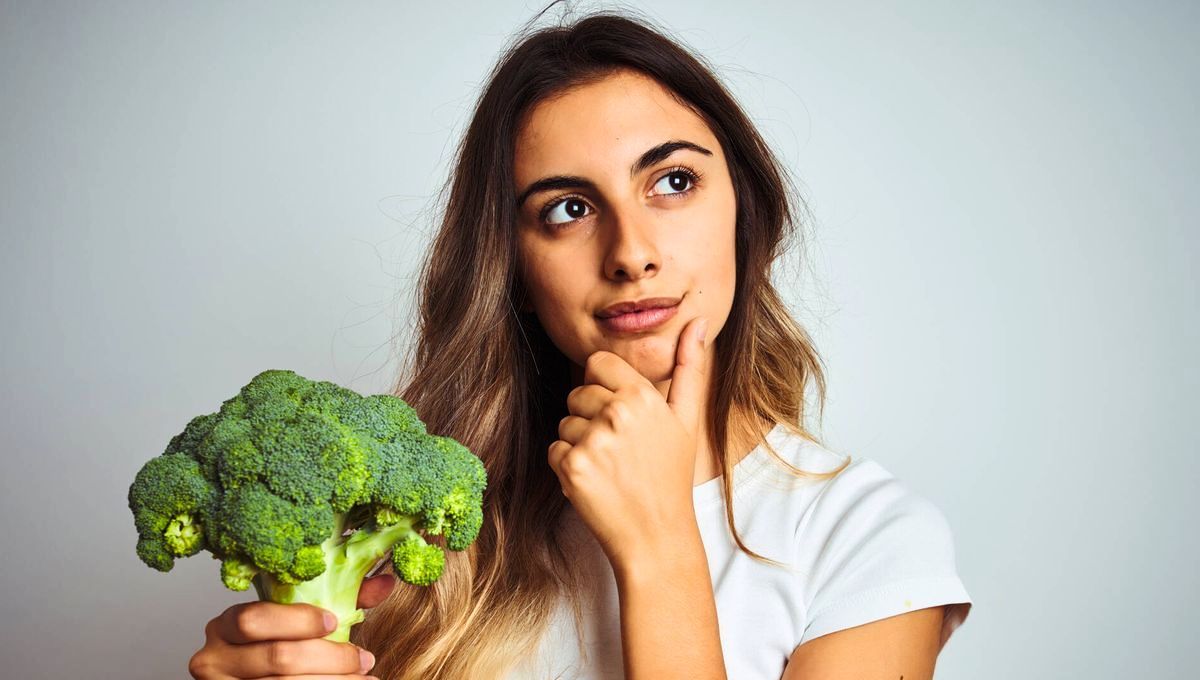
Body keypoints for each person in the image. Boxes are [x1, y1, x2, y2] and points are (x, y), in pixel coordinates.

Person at [186, 7, 972, 680]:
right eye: (567, 209)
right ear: (514, 269)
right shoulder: (411, 534)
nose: (631, 252)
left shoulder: (867, 540)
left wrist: (660, 543)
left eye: (672, 182)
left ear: (746, 211)